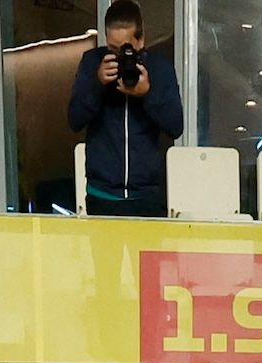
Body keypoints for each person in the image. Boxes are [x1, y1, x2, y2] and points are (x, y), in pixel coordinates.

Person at [67, 0, 181, 216]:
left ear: (141, 40)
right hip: (101, 195)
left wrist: (147, 94)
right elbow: (74, 120)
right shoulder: (92, 62)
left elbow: (176, 126)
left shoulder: (159, 68)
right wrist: (97, 83)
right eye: (112, 48)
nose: (119, 56)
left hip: (146, 196)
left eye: (125, 49)